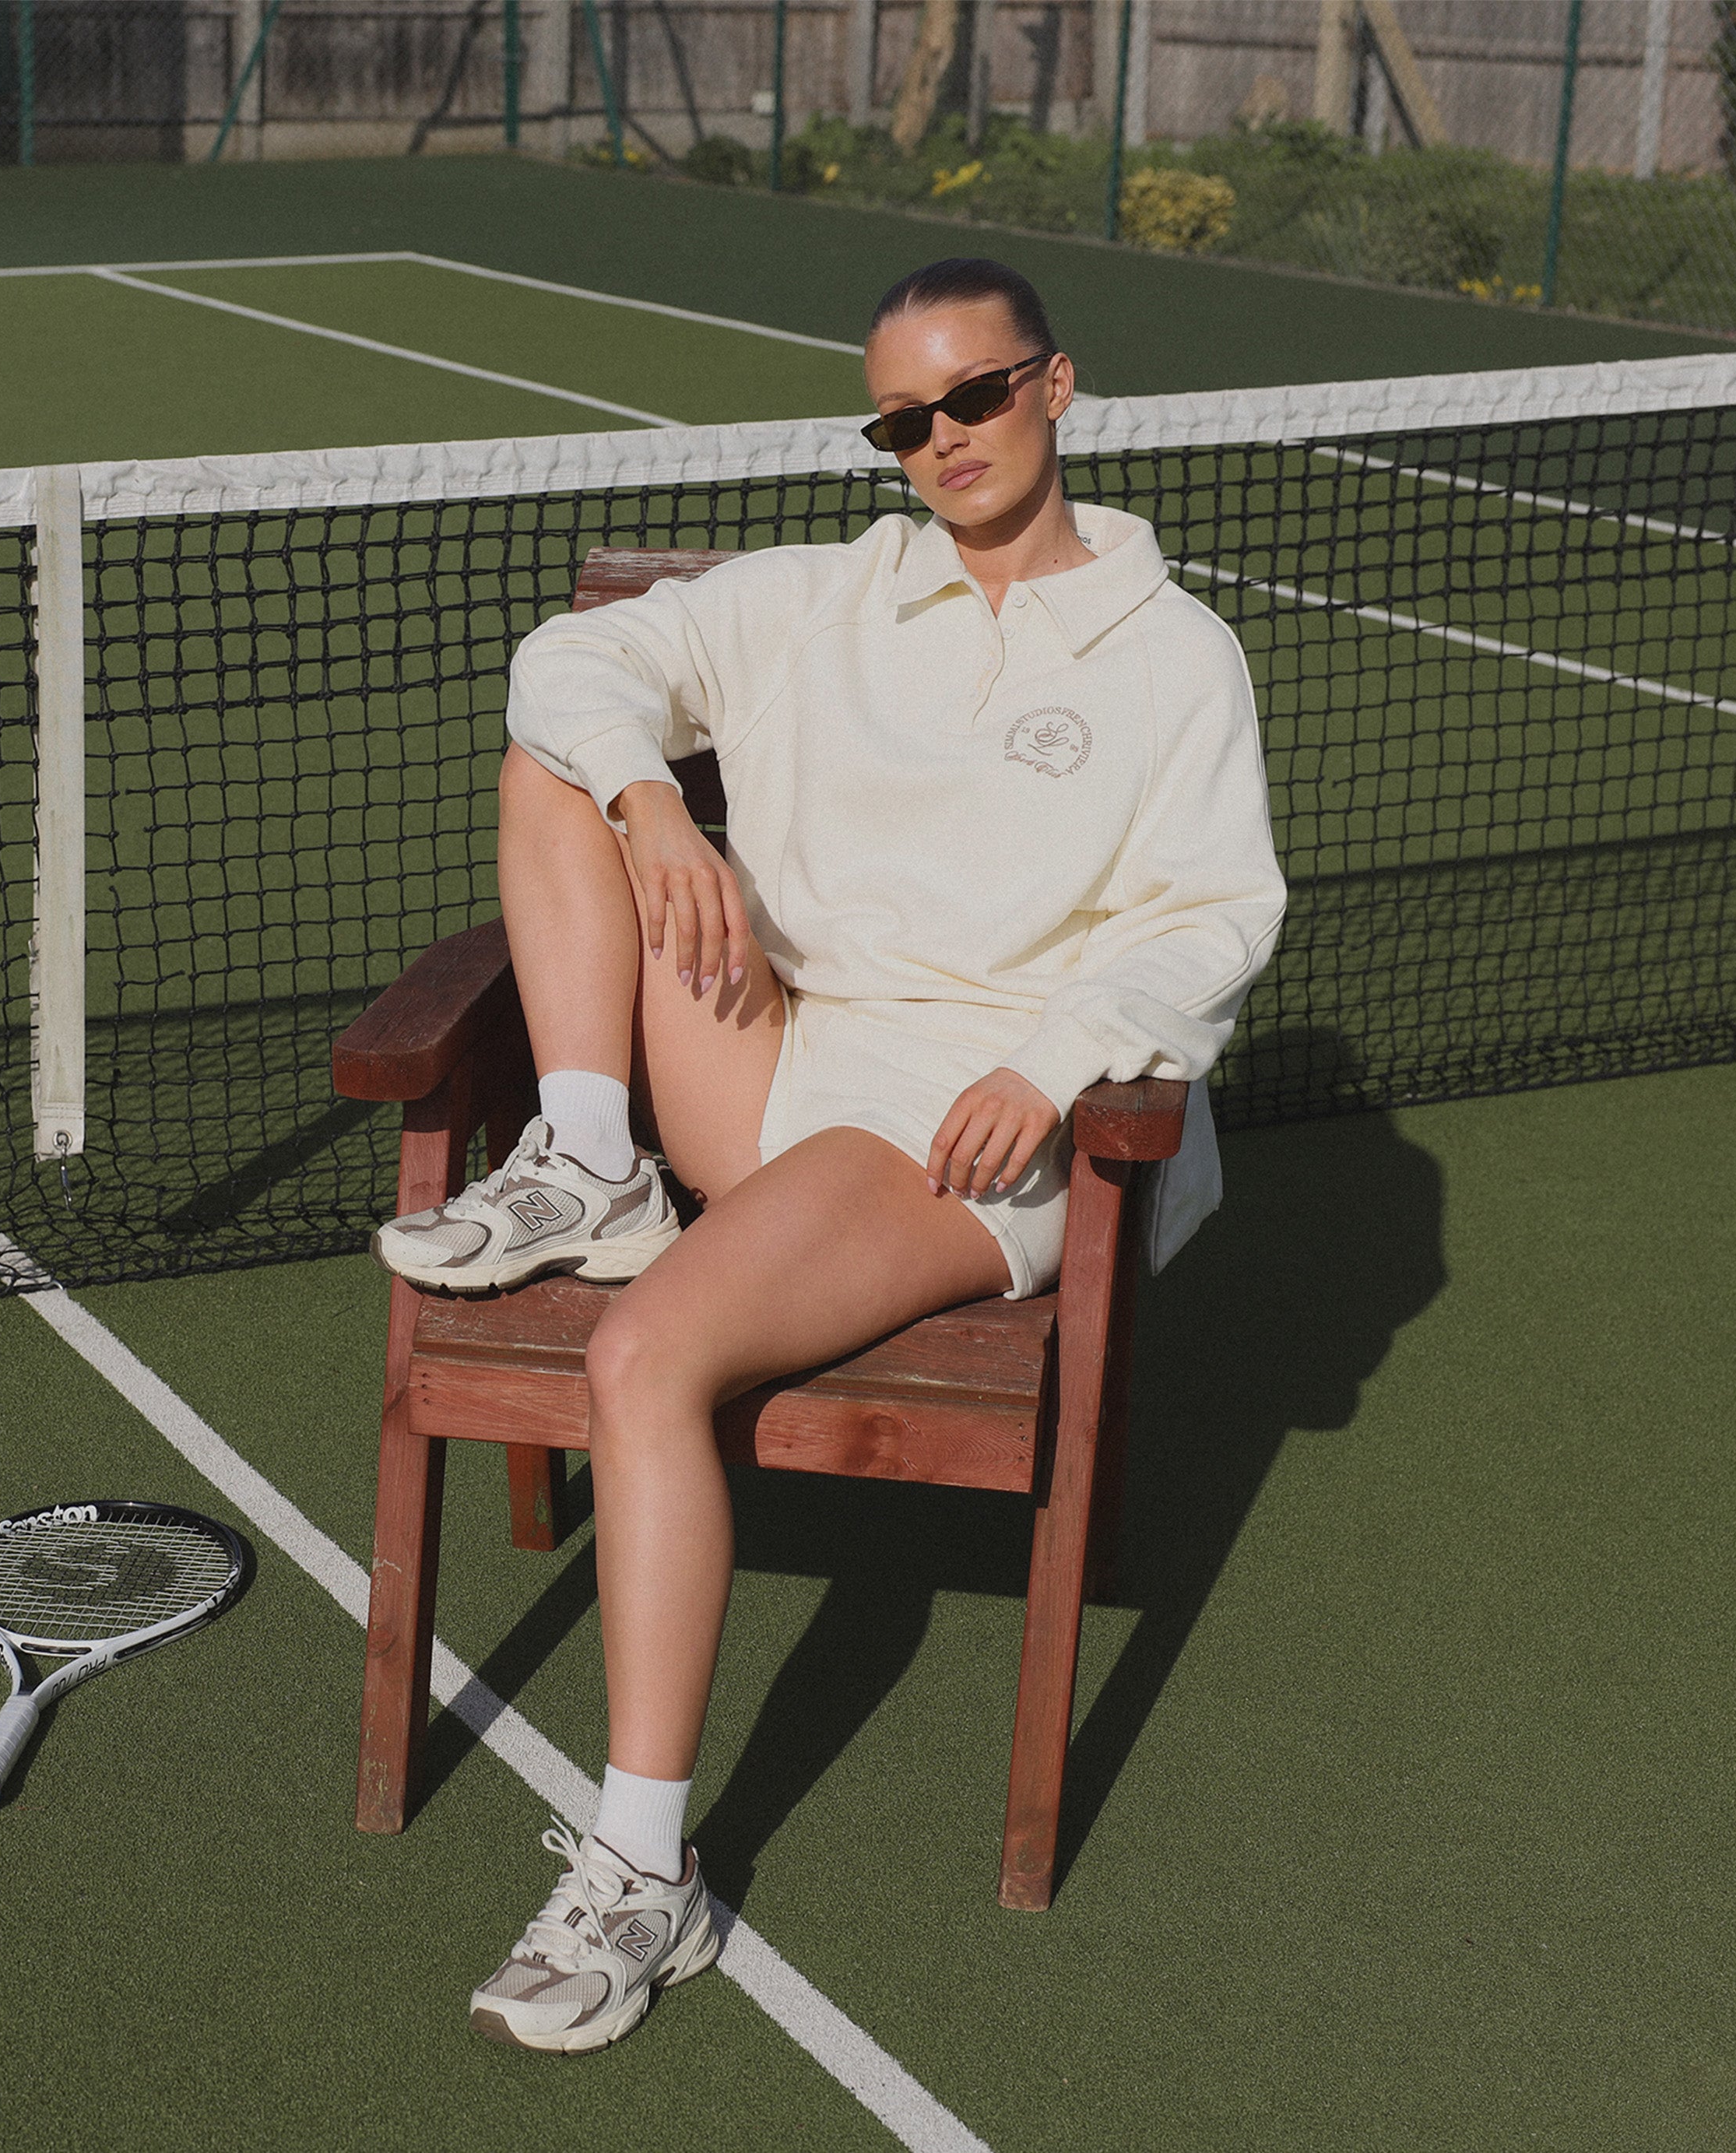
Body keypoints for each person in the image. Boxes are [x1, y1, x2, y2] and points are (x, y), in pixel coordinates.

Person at [372, 257, 1286, 2055]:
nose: (939, 439)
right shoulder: (821, 601)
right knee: (557, 760)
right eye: (900, 420)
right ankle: (589, 1156)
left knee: (644, 1354)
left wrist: (1056, 1060)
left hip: (965, 1127)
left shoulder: (1176, 656)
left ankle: (647, 1873)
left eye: (973, 398)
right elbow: (568, 660)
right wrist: (655, 804)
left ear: (1054, 387)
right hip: (778, 1061)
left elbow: (1211, 916)